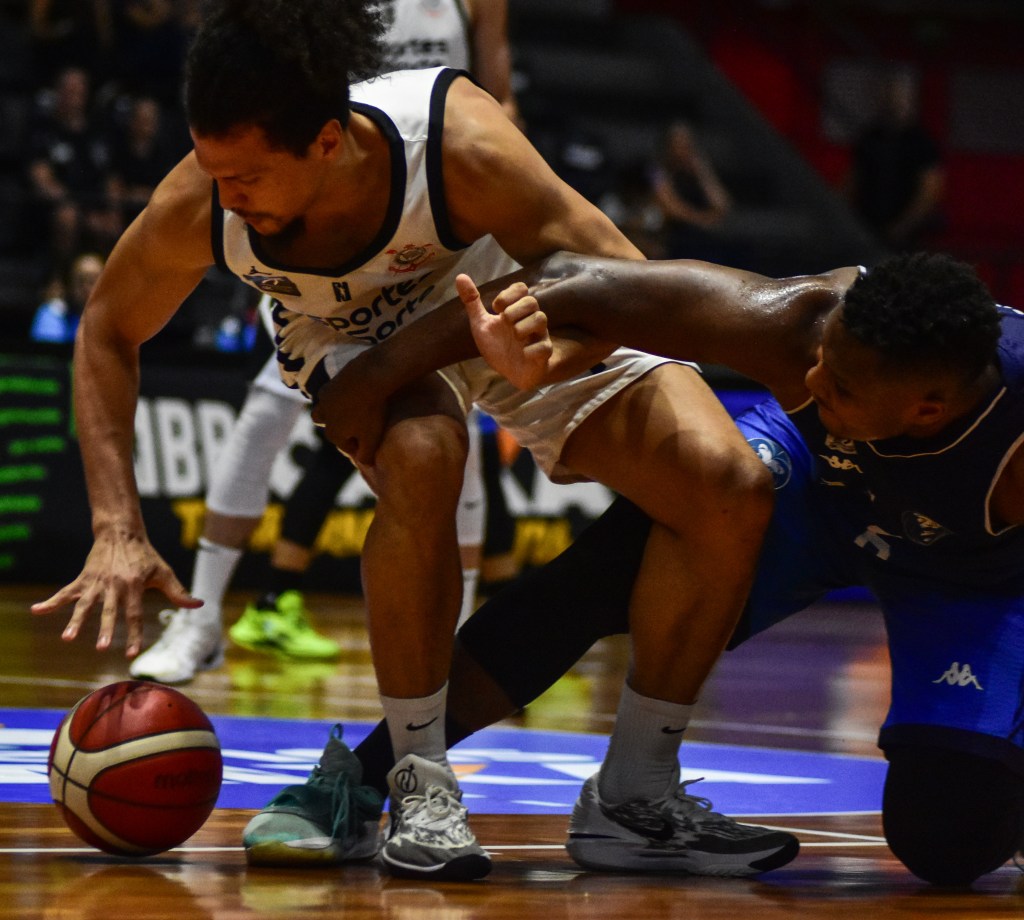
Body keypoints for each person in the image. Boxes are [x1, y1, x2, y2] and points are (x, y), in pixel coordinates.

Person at [31, 0, 782, 883]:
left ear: (326, 140)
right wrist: (116, 524)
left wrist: (547, 356)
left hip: (511, 300)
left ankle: (636, 792)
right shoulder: (202, 198)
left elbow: (631, 287)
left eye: (248, 176)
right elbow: (107, 329)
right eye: (212, 169)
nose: (227, 196)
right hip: (345, 333)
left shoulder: (460, 143)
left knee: (727, 481)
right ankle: (419, 779)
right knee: (424, 453)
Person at [330, 249, 1023, 887]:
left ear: (927, 408)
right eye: (819, 360)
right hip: (825, 484)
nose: (811, 379)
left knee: (946, 840)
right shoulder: (804, 325)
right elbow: (573, 279)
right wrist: (375, 373)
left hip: (976, 580)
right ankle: (359, 779)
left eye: (838, 385)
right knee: (625, 558)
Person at [127, 0, 520, 682]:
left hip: (430, 217)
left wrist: (492, 164)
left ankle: (453, 643)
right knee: (264, 413)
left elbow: (500, 97)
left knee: (458, 444)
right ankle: (200, 618)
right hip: (323, 221)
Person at [844, 71, 945, 252]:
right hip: (868, 230)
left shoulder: (921, 142)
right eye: (887, 95)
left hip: (909, 238)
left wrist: (902, 227)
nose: (893, 102)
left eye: (899, 96)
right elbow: (853, 180)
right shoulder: (870, 138)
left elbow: (930, 191)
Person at [650, 120, 731, 262]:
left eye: (687, 144)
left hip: (700, 238)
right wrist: (703, 219)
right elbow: (670, 208)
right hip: (670, 239)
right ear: (667, 146)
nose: (683, 149)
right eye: (678, 143)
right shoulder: (656, 171)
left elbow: (722, 205)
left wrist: (703, 173)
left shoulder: (698, 171)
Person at [29, 251, 104, 344]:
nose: (86, 288)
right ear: (69, 285)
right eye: (81, 281)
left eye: (93, 281)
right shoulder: (52, 314)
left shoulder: (114, 320)